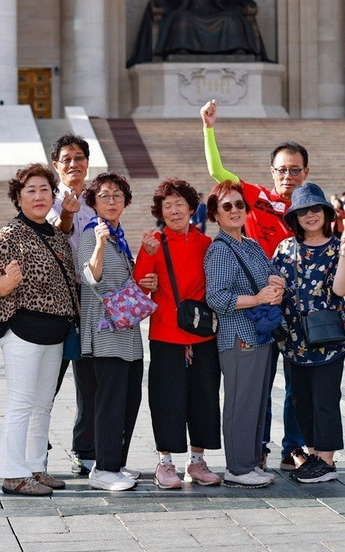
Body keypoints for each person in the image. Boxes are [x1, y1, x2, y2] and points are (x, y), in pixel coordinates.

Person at [201, 99, 307, 471]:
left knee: (297, 380)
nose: (288, 176)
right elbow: (216, 171)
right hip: (256, 304)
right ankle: (255, 447)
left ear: (305, 173)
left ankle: (293, 446)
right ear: (271, 171)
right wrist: (209, 128)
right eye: (282, 170)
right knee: (258, 382)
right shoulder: (255, 197)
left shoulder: (312, 208)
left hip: (295, 305)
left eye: (295, 170)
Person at [0, 164, 79, 496]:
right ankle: (13, 473)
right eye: (31, 190)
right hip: (24, 328)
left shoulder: (54, 233)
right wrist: (6, 284)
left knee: (43, 403)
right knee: (21, 401)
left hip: (55, 332)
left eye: (44, 190)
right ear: (18, 198)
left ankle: (36, 467)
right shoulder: (9, 234)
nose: (39, 196)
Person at [134, 178, 222, 489]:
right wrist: (146, 254)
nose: (174, 211)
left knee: (204, 398)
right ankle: (165, 463)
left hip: (202, 335)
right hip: (166, 334)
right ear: (160, 211)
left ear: (191, 208)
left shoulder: (206, 245)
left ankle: (197, 462)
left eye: (179, 205)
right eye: (167, 206)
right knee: (166, 399)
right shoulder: (154, 242)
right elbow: (139, 284)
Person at [272, 183, 345, 483]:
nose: (310, 216)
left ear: (325, 213)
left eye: (315, 209)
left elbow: (341, 289)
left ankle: (327, 460)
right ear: (294, 217)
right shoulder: (284, 248)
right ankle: (312, 454)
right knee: (301, 400)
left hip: (329, 338)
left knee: (325, 398)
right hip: (293, 339)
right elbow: (274, 288)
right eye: (302, 211)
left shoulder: (336, 248)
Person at [204, 180, 284, 488]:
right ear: (215, 214)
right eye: (227, 206)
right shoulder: (221, 251)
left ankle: (249, 463)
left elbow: (269, 276)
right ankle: (237, 468)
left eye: (239, 204)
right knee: (241, 403)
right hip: (238, 337)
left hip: (259, 334)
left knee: (255, 402)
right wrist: (258, 299)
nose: (235, 210)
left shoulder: (250, 244)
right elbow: (217, 297)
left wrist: (277, 288)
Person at [77, 172, 150, 491]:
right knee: (109, 402)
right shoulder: (92, 233)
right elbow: (89, 277)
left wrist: (142, 284)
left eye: (117, 195)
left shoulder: (120, 235)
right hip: (104, 332)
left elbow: (123, 281)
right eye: (104, 195)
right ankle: (103, 468)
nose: (111, 200)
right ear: (93, 202)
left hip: (128, 335)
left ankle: (116, 462)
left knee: (128, 398)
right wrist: (101, 244)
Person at [46, 134, 98, 476]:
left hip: (90, 299)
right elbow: (58, 230)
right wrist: (65, 215)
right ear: (56, 166)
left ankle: (86, 449)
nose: (73, 164)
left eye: (79, 157)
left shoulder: (96, 204)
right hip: (57, 301)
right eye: (67, 159)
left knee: (90, 379)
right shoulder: (44, 200)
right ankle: (36, 448)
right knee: (48, 379)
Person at [127, 0, 269, 67]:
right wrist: (160, 1)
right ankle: (181, 48)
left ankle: (237, 48)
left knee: (231, 18)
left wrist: (247, 1)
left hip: (214, 12)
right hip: (189, 12)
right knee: (182, 19)